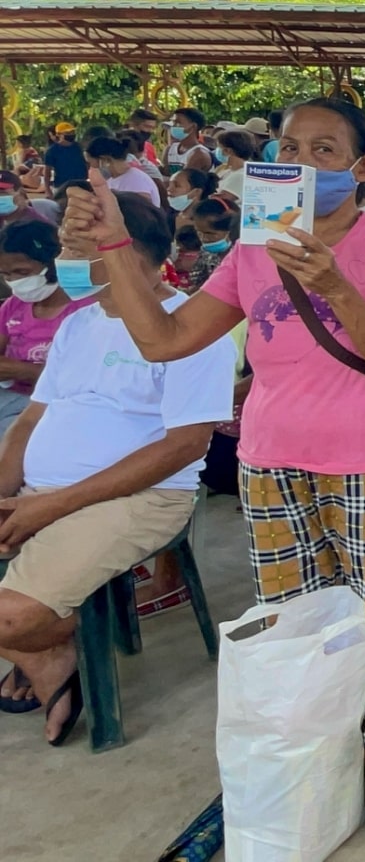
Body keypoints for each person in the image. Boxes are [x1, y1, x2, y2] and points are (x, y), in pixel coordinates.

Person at [65, 97, 365, 837]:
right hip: (270, 462)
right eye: (289, 145)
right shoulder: (248, 251)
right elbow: (166, 339)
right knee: (293, 625)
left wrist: (332, 282)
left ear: (363, 169)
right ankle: (318, 746)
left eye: (324, 150)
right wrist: (114, 246)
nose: (300, 161)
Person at [0, 191, 234, 744]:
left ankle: (45, 646)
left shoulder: (192, 329)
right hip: (45, 491)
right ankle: (41, 644)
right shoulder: (80, 326)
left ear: (128, 254)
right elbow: (31, 421)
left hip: (141, 499)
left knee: (11, 618)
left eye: (80, 251)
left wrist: (53, 504)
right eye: (66, 250)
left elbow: (183, 447)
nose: (67, 266)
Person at [0, 219, 95, 434]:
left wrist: (24, 371)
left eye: (22, 273)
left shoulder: (85, 310)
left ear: (53, 264)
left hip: (57, 404)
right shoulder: (14, 306)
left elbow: (82, 381)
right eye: (6, 275)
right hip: (10, 396)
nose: (13, 282)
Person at [86, 136, 161, 206]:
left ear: (105, 160)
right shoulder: (111, 181)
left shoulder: (136, 180)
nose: (90, 168)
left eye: (91, 163)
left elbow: (143, 212)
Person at [163, 107, 212, 174]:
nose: (173, 126)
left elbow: (184, 180)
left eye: (178, 123)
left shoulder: (199, 154)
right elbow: (165, 173)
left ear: (193, 127)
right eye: (173, 123)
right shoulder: (170, 149)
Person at [213, 128, 255, 200]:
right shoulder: (226, 171)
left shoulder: (241, 175)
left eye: (219, 147)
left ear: (228, 151)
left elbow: (220, 200)